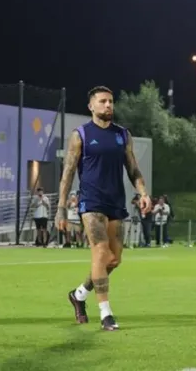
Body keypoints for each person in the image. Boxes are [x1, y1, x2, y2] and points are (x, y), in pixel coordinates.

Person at [56, 85, 151, 331]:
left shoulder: (123, 135)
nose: (108, 105)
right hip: (90, 201)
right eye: (102, 102)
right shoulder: (81, 135)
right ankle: (105, 313)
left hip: (115, 202)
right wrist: (61, 208)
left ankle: (78, 295)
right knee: (99, 251)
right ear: (91, 106)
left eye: (110, 101)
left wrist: (143, 193)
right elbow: (67, 173)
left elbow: (133, 169)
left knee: (113, 259)